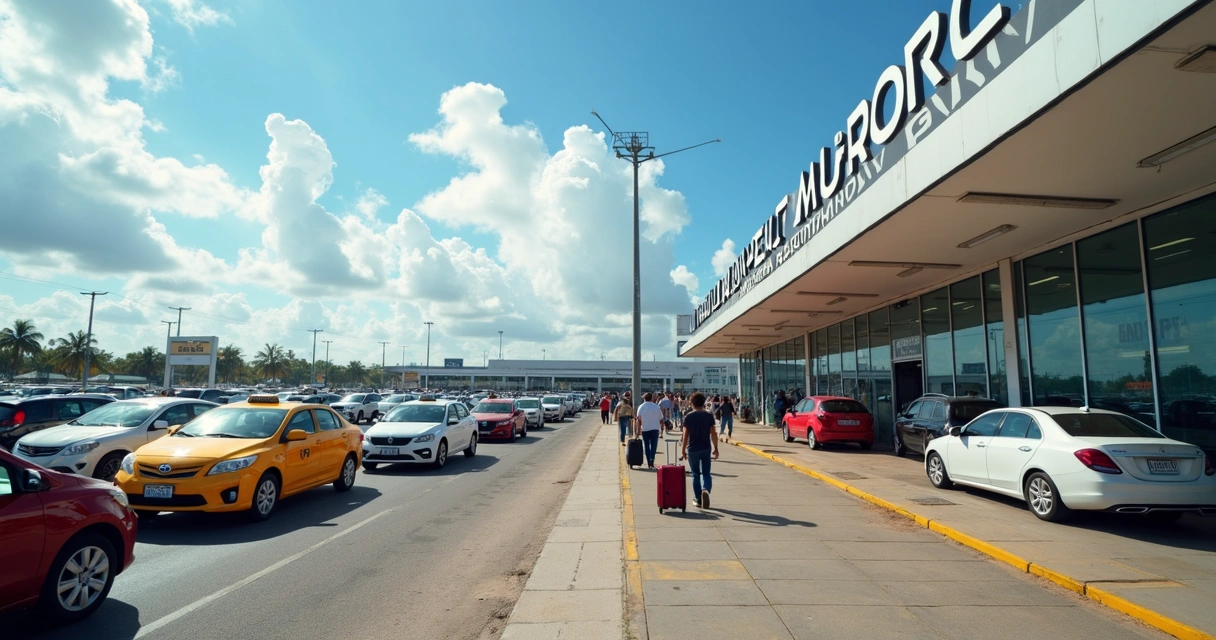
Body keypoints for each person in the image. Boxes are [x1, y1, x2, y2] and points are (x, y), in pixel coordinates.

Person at [680, 392, 720, 509]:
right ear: (703, 403)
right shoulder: (709, 416)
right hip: (705, 448)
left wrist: (683, 450)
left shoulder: (689, 416)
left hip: (693, 449)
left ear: (692, 403)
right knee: (706, 473)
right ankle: (706, 489)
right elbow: (713, 433)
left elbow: (685, 434)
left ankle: (698, 498)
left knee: (695, 474)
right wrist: (716, 448)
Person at [634, 392, 664, 468]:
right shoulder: (656, 407)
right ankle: (652, 459)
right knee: (654, 446)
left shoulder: (641, 407)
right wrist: (662, 428)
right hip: (655, 429)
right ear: (652, 398)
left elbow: (638, 420)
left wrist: (637, 432)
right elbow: (661, 419)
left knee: (646, 446)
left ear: (644, 398)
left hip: (645, 429)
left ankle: (648, 462)